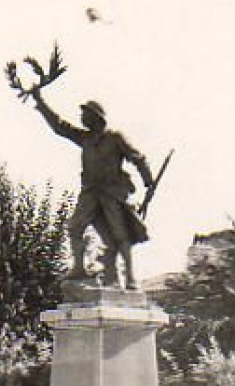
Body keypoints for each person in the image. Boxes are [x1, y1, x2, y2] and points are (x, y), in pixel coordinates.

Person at [27, 92, 155, 289]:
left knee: (120, 235)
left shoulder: (114, 138)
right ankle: (79, 268)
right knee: (74, 227)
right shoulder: (84, 138)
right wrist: (40, 101)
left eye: (85, 114)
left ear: (96, 117)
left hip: (111, 192)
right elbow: (59, 126)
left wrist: (147, 179)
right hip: (90, 192)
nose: (81, 118)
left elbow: (136, 157)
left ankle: (130, 278)